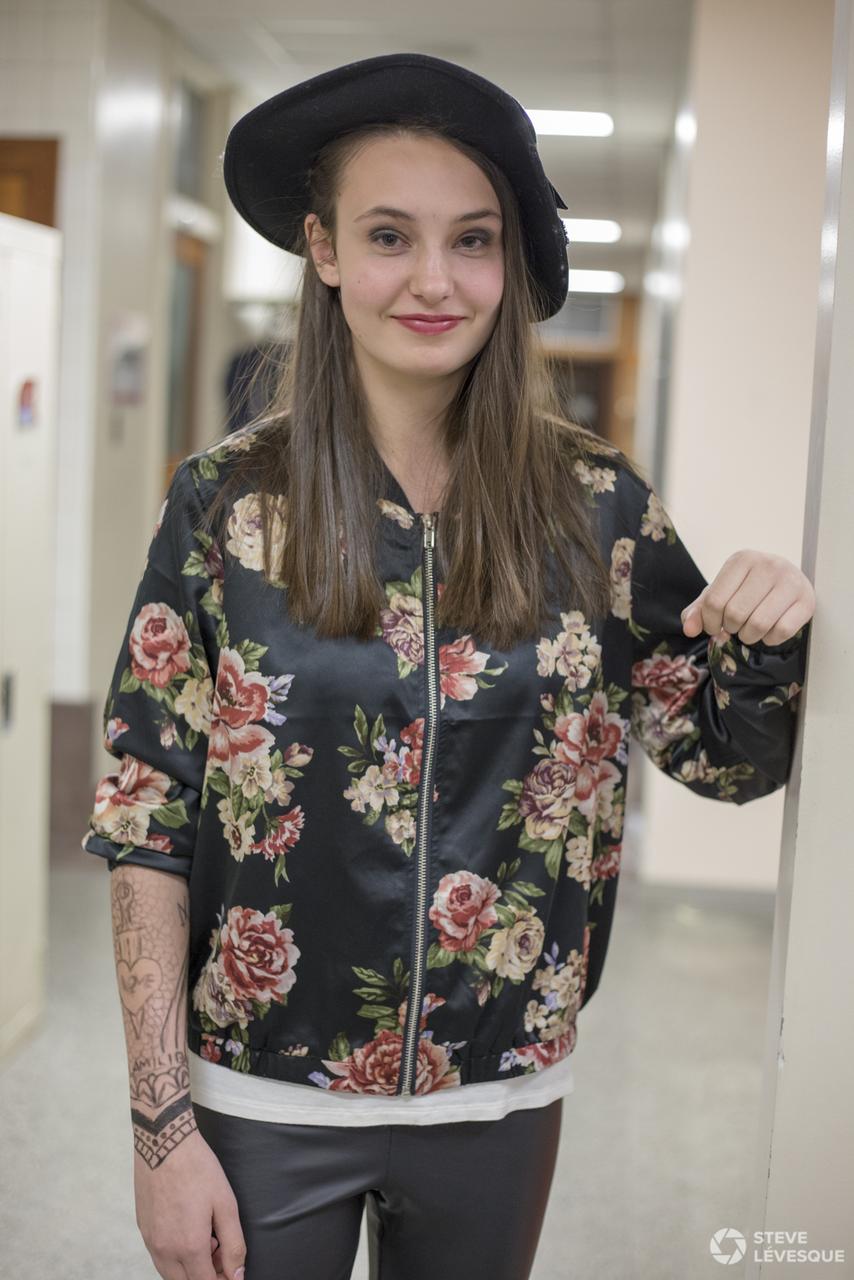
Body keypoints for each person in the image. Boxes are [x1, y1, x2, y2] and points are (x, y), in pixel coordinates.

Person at [80, 52, 815, 1280]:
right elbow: (145, 818)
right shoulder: (226, 504)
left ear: (508, 266)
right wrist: (161, 1128)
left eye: (472, 240)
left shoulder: (593, 505)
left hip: (499, 1093)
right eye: (388, 235)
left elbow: (727, 759)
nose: (433, 279)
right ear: (322, 249)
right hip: (260, 1089)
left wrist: (765, 625)